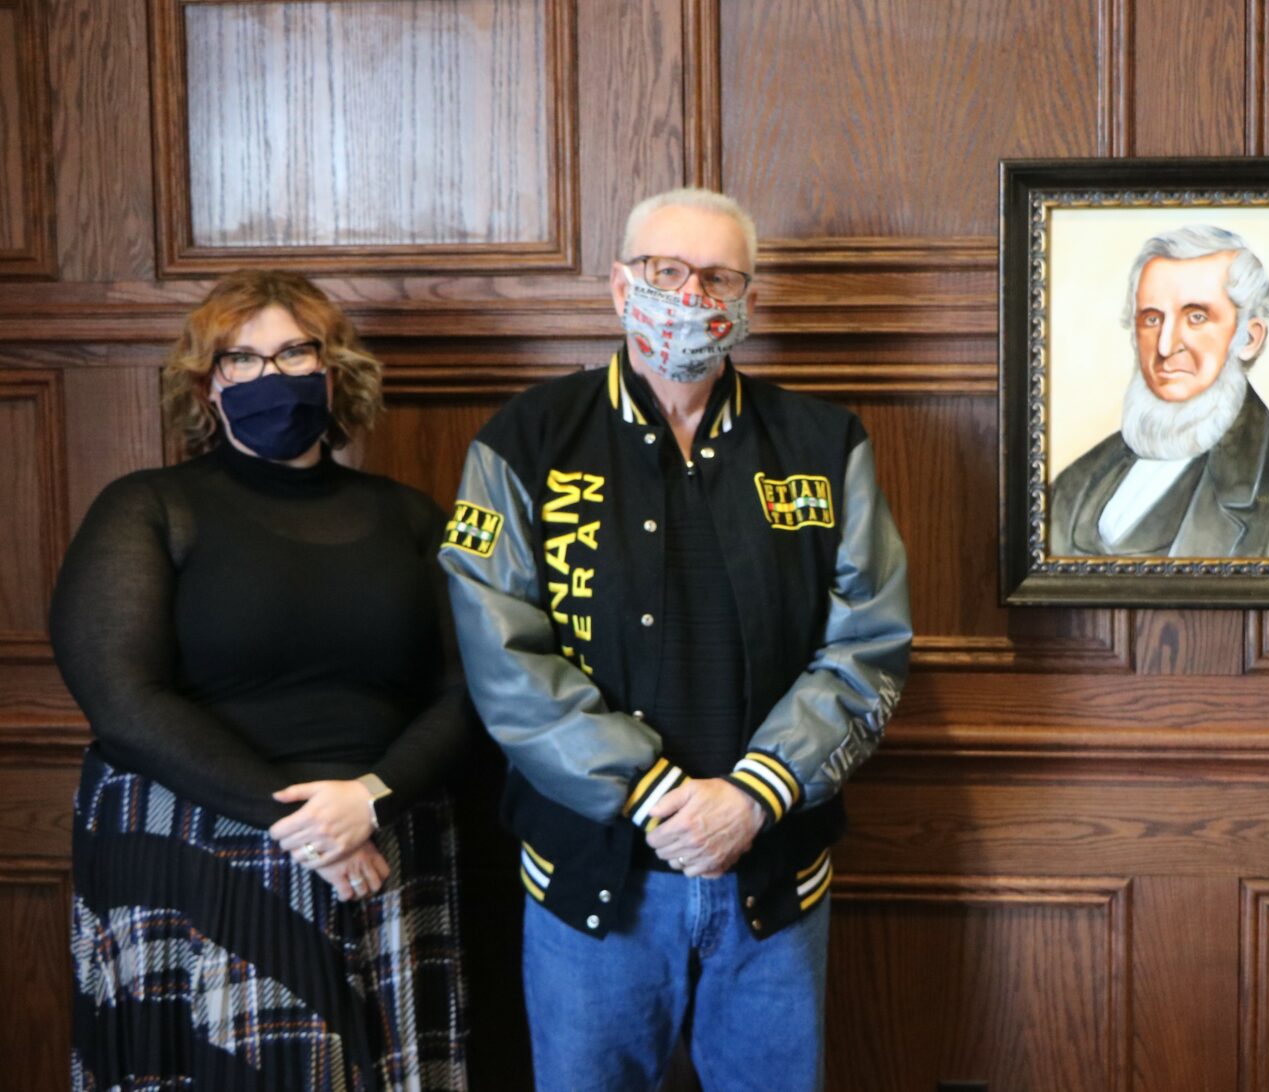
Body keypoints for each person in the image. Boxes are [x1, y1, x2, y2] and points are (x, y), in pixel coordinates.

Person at [439, 186, 911, 1091]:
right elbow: (504, 659)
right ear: (621, 287)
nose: (690, 298)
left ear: (749, 301)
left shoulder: (825, 444)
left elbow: (868, 646)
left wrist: (751, 797)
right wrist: (652, 792)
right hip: (592, 883)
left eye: (718, 277)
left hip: (771, 875)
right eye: (665, 272)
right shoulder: (523, 441)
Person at [51, 270, 474, 1090]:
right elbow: (121, 700)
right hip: (204, 847)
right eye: (240, 360)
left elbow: (467, 693)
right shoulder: (149, 507)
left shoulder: (412, 516)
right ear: (209, 385)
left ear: (333, 368)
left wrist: (368, 801)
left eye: (293, 352)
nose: (268, 377)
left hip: (379, 844)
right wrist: (307, 828)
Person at [1048, 224, 1269, 558]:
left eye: (1196, 317)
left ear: (1249, 339)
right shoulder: (1076, 482)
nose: (1165, 346)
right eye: (1151, 319)